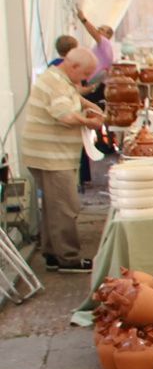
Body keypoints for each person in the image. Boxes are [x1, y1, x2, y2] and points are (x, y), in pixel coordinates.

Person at [21, 48, 104, 272]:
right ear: (74, 66)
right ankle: (68, 257)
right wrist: (90, 122)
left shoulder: (58, 77)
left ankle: (52, 253)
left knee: (53, 206)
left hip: (47, 154)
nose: (85, 78)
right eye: (85, 73)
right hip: (51, 156)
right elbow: (65, 115)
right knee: (65, 206)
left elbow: (72, 97)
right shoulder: (57, 83)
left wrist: (89, 105)